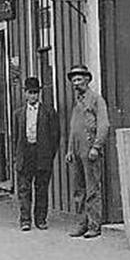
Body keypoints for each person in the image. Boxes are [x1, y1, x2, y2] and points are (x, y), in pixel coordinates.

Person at [65, 64, 110, 239]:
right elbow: (73, 128)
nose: (76, 83)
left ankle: (94, 225)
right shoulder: (77, 103)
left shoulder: (96, 100)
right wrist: (69, 150)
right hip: (77, 152)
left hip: (90, 150)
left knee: (92, 189)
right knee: (79, 190)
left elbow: (104, 125)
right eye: (73, 80)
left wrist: (96, 147)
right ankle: (81, 223)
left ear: (87, 80)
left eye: (79, 79)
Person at [11, 77, 61, 231]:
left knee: (42, 188)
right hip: (25, 153)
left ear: (39, 93)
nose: (33, 96)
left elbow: (55, 135)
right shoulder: (18, 113)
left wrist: (49, 154)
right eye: (30, 93)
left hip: (42, 154)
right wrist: (16, 155)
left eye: (35, 93)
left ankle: (41, 219)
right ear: (25, 94)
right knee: (24, 189)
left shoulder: (48, 111)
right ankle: (25, 220)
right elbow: (15, 137)